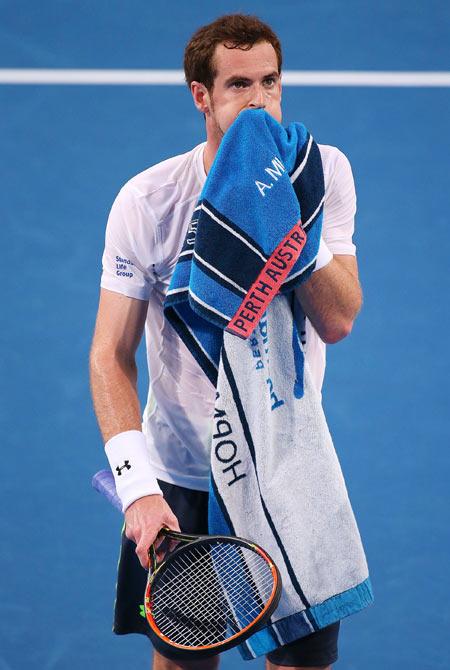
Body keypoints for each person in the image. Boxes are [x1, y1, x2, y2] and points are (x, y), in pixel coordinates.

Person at [90, 13, 362, 670]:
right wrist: (137, 488)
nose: (260, 100)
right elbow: (108, 357)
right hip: (181, 478)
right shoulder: (147, 201)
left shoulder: (320, 174)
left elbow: (340, 319)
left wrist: (287, 215)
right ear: (201, 95)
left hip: (290, 472)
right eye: (239, 85)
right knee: (185, 663)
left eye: (270, 82)